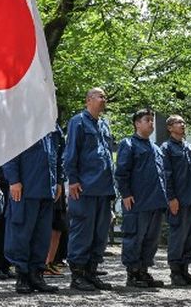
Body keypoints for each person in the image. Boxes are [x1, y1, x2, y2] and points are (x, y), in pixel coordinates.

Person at [63, 87, 114, 291]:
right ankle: (78, 275)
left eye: (105, 96)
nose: (104, 99)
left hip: (103, 188)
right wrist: (73, 180)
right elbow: (70, 153)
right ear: (89, 99)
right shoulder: (78, 122)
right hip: (85, 187)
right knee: (82, 231)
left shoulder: (103, 124)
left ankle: (91, 272)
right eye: (101, 96)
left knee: (99, 233)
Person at [3, 127, 64, 294]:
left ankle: (37, 275)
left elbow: (59, 156)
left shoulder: (53, 126)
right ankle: (22, 276)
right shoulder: (22, 121)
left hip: (47, 189)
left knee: (42, 235)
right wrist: (14, 180)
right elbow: (9, 152)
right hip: (26, 188)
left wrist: (58, 181)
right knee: (21, 233)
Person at [115, 108, 168, 288]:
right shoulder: (128, 144)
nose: (151, 123)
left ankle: (144, 271)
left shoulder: (155, 148)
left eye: (152, 120)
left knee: (151, 240)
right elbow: (121, 172)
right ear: (137, 123)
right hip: (137, 201)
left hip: (156, 201)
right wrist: (126, 194)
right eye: (147, 120)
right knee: (135, 237)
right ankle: (133, 273)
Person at [160, 115, 191, 286]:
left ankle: (185, 269)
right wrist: (171, 198)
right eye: (178, 123)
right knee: (178, 236)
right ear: (170, 128)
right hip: (178, 199)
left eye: (183, 123)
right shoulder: (166, 148)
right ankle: (175, 272)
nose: (182, 125)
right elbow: (166, 175)